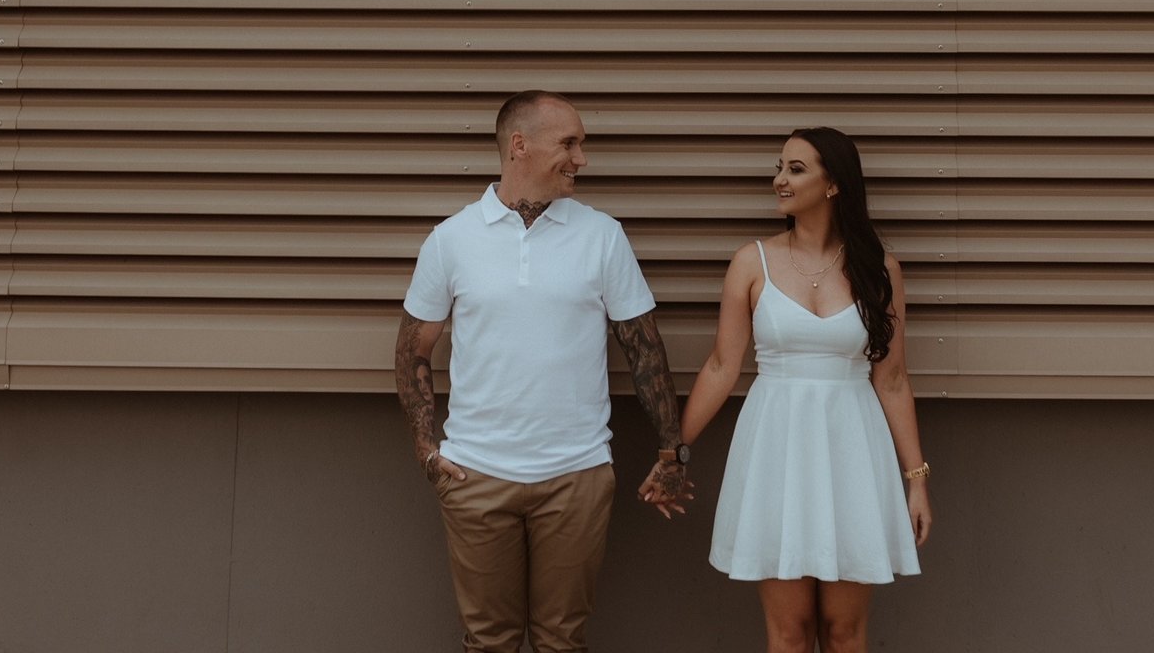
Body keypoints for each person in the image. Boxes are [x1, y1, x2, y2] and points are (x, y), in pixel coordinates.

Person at [395, 89, 690, 653]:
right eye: (570, 144)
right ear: (519, 145)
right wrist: (425, 449)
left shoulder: (602, 236)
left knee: (562, 641)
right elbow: (413, 348)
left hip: (575, 476)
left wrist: (670, 450)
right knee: (488, 641)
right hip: (475, 475)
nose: (581, 158)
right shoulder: (451, 239)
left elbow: (645, 349)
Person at [680, 126, 930, 653]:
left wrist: (917, 480)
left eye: (796, 169)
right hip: (777, 452)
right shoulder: (752, 262)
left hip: (853, 454)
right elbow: (723, 366)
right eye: (780, 167)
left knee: (844, 632)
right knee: (790, 633)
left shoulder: (879, 268)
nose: (779, 180)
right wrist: (674, 449)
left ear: (834, 184)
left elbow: (892, 378)